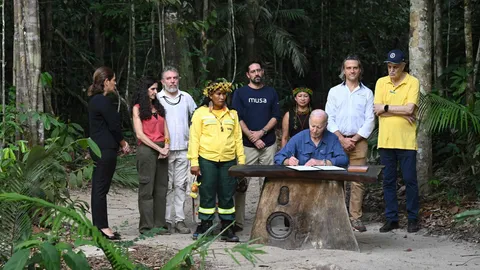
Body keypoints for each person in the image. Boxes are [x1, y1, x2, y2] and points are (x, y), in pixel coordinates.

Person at [187, 81, 245, 242]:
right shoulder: (200, 113)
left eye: (224, 94)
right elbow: (194, 138)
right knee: (207, 193)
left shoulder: (232, 114)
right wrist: (194, 161)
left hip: (228, 160)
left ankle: (227, 228)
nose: (221, 97)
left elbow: (237, 138)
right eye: (218, 94)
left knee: (227, 194)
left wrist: (241, 161)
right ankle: (205, 226)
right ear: (210, 95)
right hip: (207, 159)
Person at [325, 55, 375, 232]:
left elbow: (370, 120)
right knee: (336, 178)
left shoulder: (367, 93)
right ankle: (337, 216)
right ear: (343, 70)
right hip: (336, 141)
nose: (352, 71)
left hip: (358, 142)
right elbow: (328, 117)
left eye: (355, 68)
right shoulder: (334, 92)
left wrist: (354, 139)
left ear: (359, 70)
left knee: (357, 180)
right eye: (348, 68)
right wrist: (341, 138)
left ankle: (355, 218)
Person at [373, 49, 420, 233]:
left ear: (403, 66)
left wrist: (387, 109)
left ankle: (413, 218)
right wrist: (396, 110)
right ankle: (391, 218)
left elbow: (410, 109)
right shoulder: (381, 82)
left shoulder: (412, 82)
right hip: (386, 140)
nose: (391, 70)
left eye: (395, 67)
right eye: (389, 66)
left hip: (407, 141)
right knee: (388, 181)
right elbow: (377, 109)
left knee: (410, 180)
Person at [232, 61, 281, 233]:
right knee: (241, 183)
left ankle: (267, 218)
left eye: (258, 70)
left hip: (268, 144)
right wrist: (252, 137)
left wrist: (262, 132)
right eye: (252, 71)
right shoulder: (240, 93)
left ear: (262, 72)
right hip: (247, 145)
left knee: (269, 183)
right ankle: (237, 221)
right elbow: (237, 117)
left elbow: (276, 116)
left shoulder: (271, 92)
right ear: (248, 75)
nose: (256, 73)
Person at [88, 66, 130, 240]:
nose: (115, 84)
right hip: (105, 149)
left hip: (97, 147)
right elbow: (114, 126)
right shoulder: (104, 102)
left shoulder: (93, 100)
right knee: (100, 188)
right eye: (113, 80)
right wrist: (123, 143)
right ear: (106, 82)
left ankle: (99, 225)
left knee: (98, 187)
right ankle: (102, 227)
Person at [157, 66, 197, 234]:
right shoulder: (157, 98)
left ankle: (179, 220)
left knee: (181, 185)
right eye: (168, 78)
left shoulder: (186, 97)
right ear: (162, 81)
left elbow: (196, 118)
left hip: (183, 149)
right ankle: (166, 220)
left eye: (175, 77)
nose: (172, 81)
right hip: (164, 150)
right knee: (166, 186)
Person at [132, 77, 170, 235]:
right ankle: (146, 226)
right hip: (147, 150)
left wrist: (167, 145)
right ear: (145, 90)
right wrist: (158, 149)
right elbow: (140, 134)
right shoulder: (137, 108)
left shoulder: (159, 107)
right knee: (146, 188)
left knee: (161, 188)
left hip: (162, 148)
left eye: (156, 89)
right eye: (153, 89)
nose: (156, 92)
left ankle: (159, 225)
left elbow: (166, 128)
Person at [274, 109, 348, 167]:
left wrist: (322, 162)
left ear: (326, 125)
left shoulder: (332, 138)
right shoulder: (299, 138)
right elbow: (278, 157)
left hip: (326, 180)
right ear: (309, 123)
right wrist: (288, 161)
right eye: (312, 126)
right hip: (302, 180)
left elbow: (344, 159)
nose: (315, 130)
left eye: (319, 127)